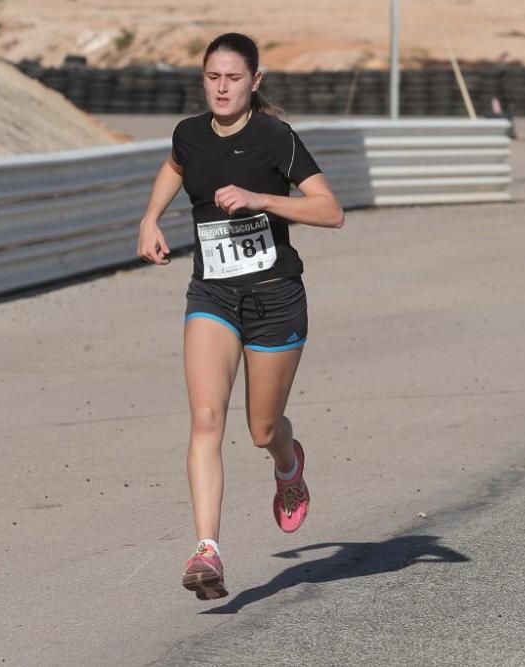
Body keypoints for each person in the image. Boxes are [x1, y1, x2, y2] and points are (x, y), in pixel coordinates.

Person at [136, 32, 344, 601]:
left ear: (256, 80)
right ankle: (208, 550)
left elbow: (331, 211)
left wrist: (264, 199)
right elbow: (175, 166)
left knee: (262, 429)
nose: (222, 87)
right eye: (212, 77)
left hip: (276, 297)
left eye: (233, 78)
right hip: (213, 296)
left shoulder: (276, 139)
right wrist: (150, 218)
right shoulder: (190, 134)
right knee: (206, 419)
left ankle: (288, 463)